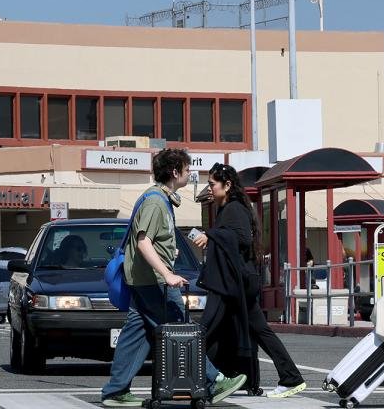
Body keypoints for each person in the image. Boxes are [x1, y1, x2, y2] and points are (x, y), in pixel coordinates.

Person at [100, 149, 245, 408]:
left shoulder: (159, 199)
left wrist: (170, 252)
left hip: (145, 280)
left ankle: (115, 391)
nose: (190, 173)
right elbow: (143, 241)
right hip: (154, 281)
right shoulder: (156, 202)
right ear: (175, 172)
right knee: (183, 329)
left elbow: (151, 240)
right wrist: (167, 273)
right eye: (187, 170)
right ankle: (214, 381)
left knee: (136, 334)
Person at [197, 163, 306, 399]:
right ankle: (290, 377)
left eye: (212, 184)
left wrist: (211, 235)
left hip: (232, 284)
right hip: (234, 282)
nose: (210, 188)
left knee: (204, 332)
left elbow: (242, 238)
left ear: (227, 185)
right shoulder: (229, 208)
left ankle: (208, 381)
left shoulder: (234, 209)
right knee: (257, 332)